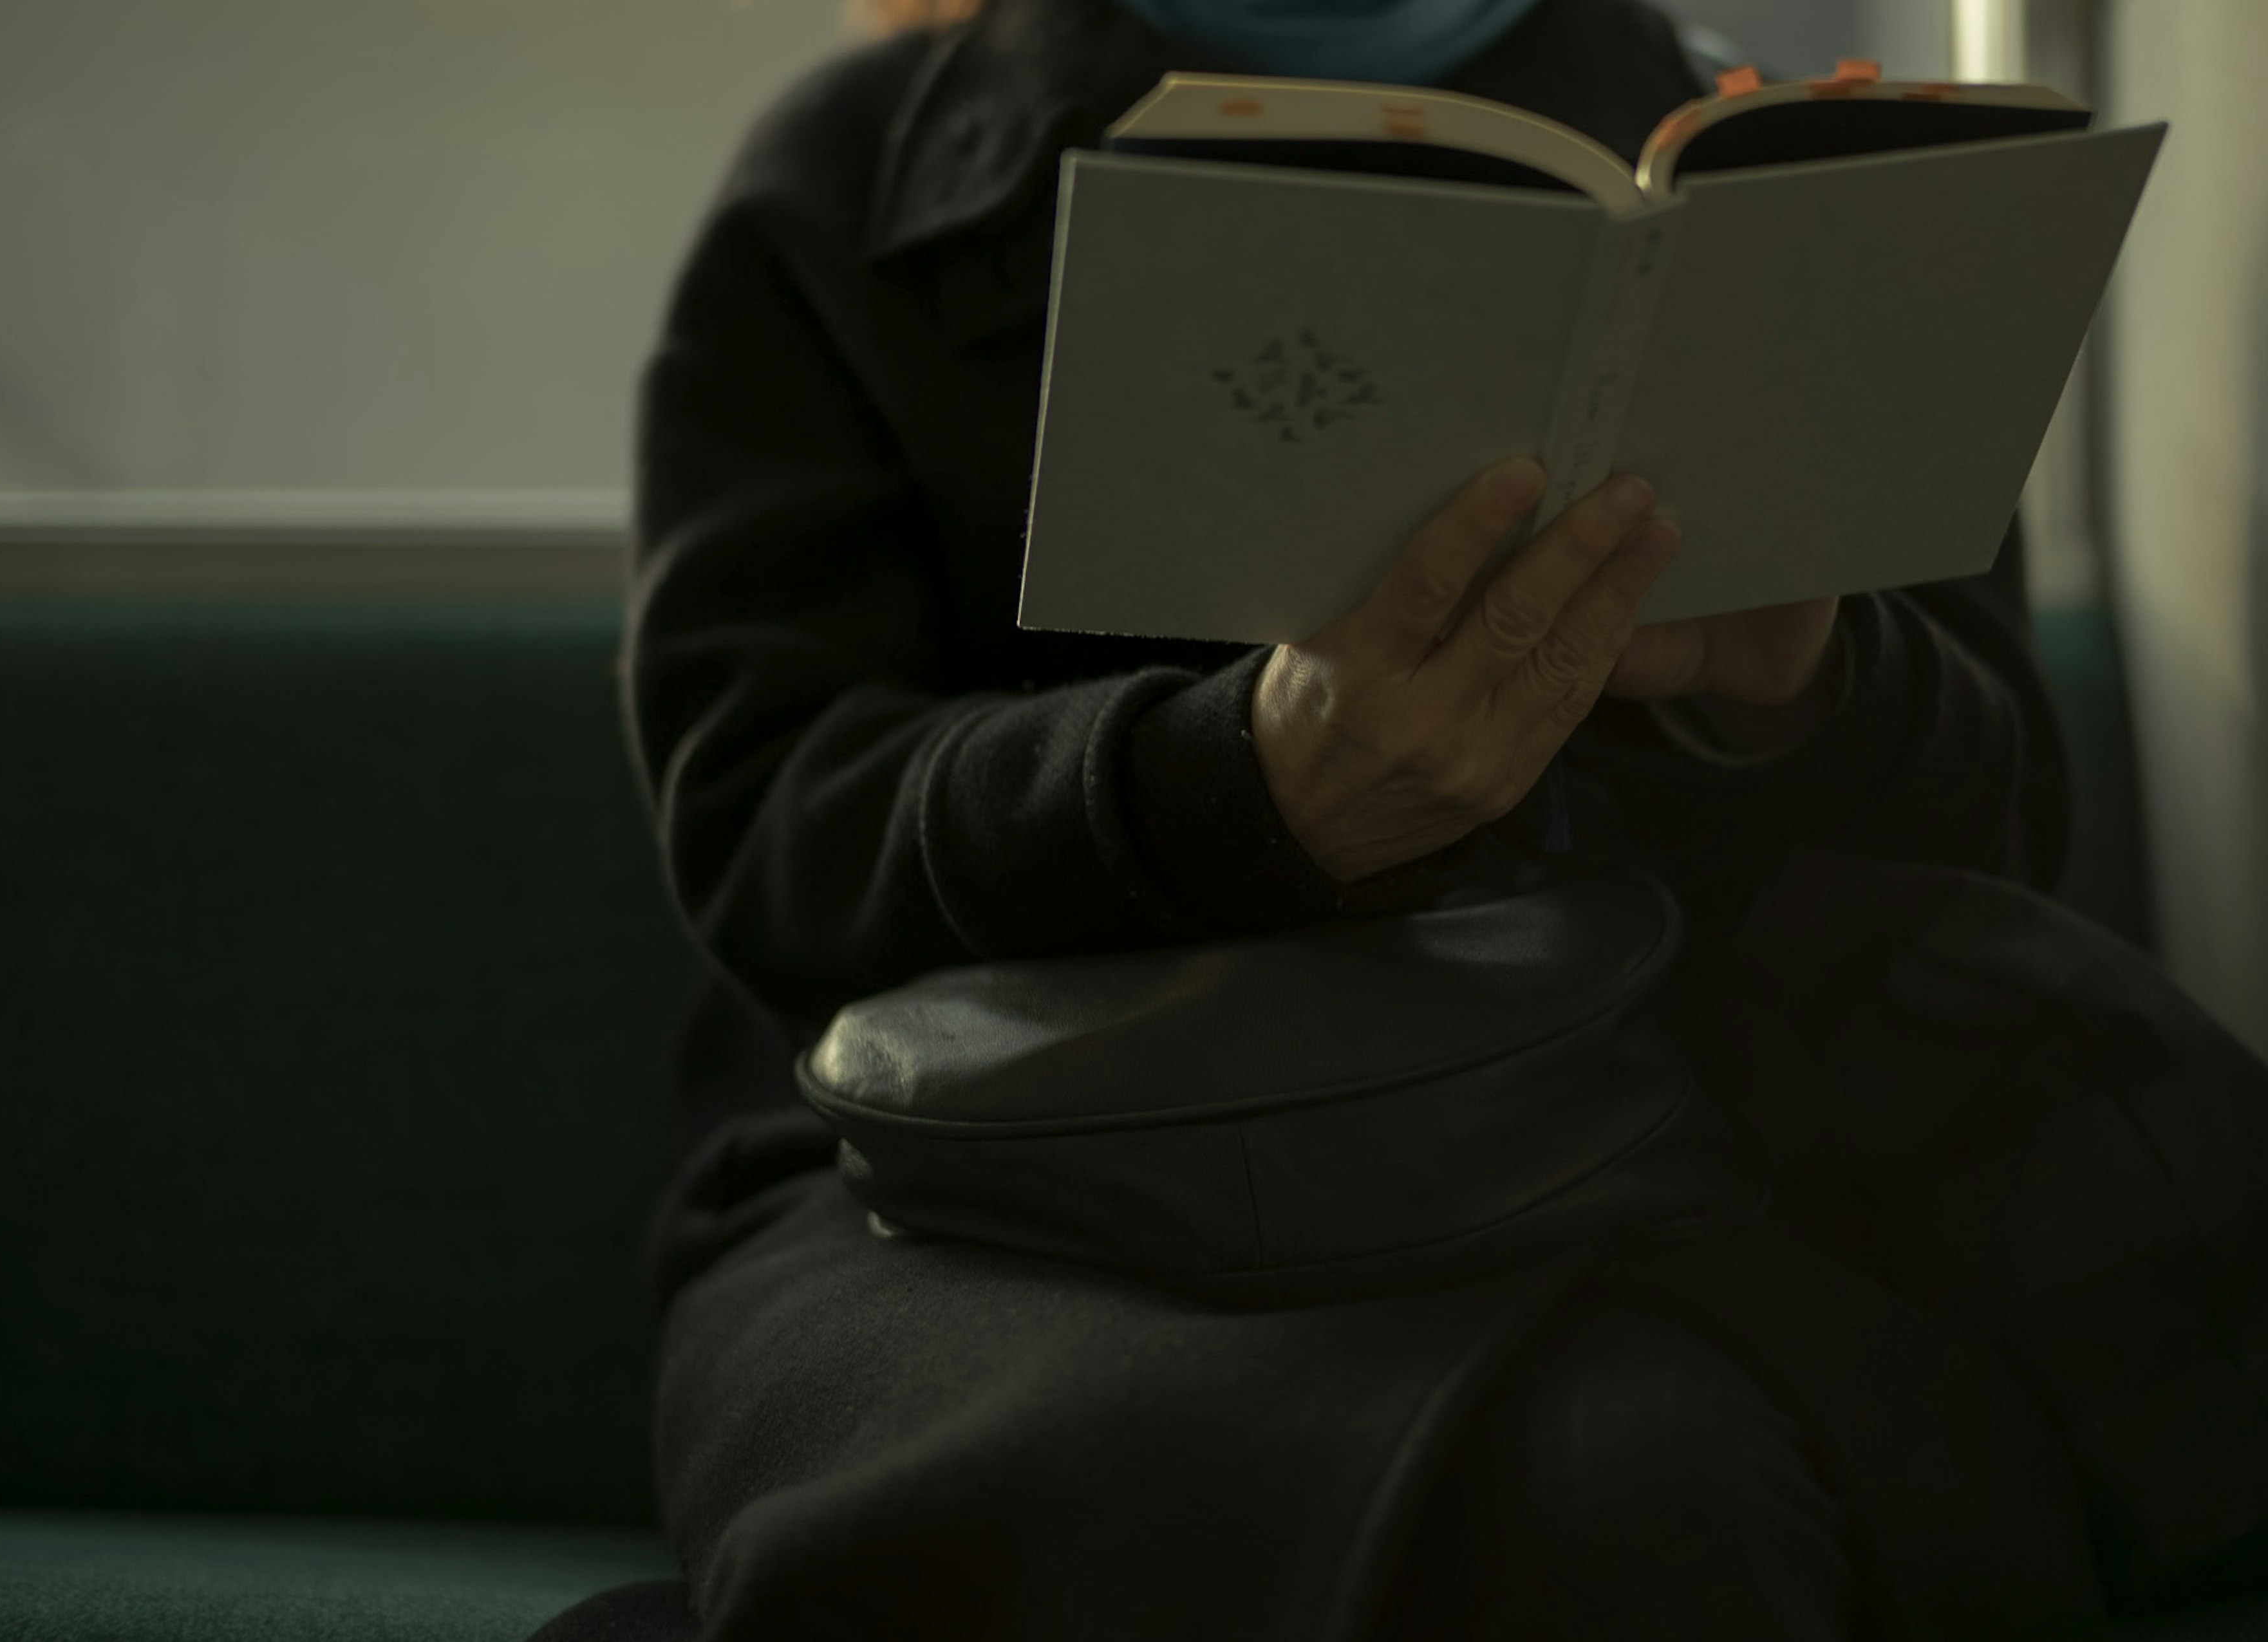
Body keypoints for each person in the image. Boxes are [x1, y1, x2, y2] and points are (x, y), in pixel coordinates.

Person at [618, 0, 2128, 1636]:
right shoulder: (848, 184)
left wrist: (1796, 693)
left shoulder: (1765, 176)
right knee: (1124, 1483)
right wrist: (1232, 791)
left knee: (1640, 1483)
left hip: (1622, 1160)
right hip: (969, 1184)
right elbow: (770, 825)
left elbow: (2005, 841)